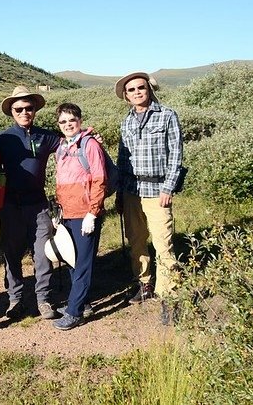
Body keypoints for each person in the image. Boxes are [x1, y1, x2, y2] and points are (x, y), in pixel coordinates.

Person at [115, 72, 184, 325]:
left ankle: (170, 296)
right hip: (132, 190)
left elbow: (176, 155)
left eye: (140, 88)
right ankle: (144, 283)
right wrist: (120, 193)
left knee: (163, 244)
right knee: (136, 241)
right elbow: (123, 159)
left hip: (158, 191)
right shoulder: (127, 122)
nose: (136, 92)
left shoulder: (167, 115)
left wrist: (168, 188)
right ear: (126, 96)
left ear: (149, 89)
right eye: (131, 90)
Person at [0, 86, 63, 320]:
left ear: (35, 110)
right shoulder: (3, 139)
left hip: (38, 204)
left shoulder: (47, 136)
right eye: (19, 109)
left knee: (42, 253)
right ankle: (15, 299)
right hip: (11, 206)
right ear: (11, 112)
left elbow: (71, 143)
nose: (24, 112)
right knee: (11, 253)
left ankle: (43, 298)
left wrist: (88, 136)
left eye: (29, 108)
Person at [52, 103, 106, 330]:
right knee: (72, 260)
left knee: (83, 263)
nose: (67, 125)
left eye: (71, 120)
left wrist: (92, 213)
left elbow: (100, 179)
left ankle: (74, 312)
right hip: (67, 213)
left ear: (80, 120)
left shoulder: (90, 145)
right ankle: (82, 303)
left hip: (85, 213)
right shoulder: (62, 147)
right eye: (63, 122)